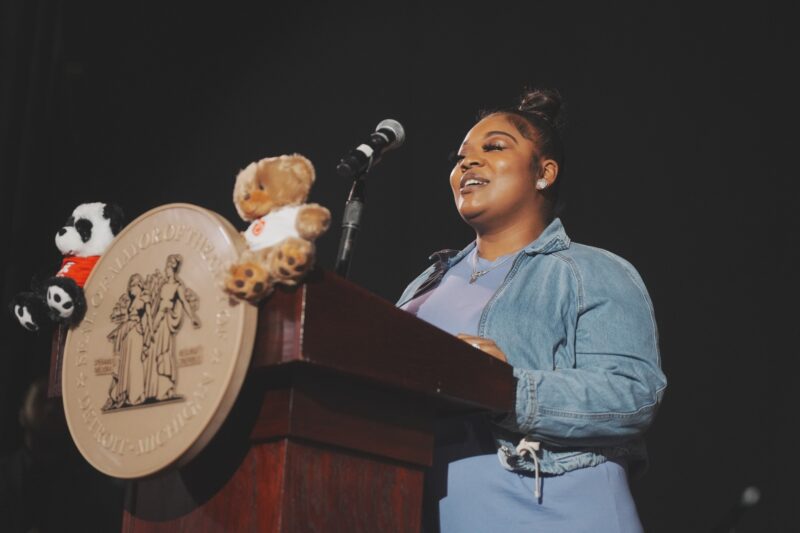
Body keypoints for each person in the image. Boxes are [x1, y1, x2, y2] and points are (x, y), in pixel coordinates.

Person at [396, 88, 667, 532]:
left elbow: (631, 394)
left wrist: (505, 389)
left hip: (554, 517)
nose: (467, 163)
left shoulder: (589, 271)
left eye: (494, 147)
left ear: (545, 173)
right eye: (460, 156)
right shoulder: (422, 288)